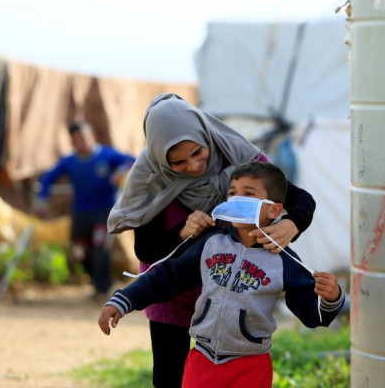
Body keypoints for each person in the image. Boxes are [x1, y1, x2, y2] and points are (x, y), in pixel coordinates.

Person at [107, 93, 316, 388]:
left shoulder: (238, 155)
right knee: (170, 377)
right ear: (159, 157)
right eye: (177, 163)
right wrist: (182, 232)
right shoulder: (150, 179)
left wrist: (291, 225)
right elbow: (146, 249)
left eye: (197, 153)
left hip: (230, 288)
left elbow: (298, 198)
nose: (193, 167)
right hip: (172, 292)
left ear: (205, 135)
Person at [99, 161, 343, 387]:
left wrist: (331, 298)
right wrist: (124, 300)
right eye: (232, 192)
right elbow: (167, 276)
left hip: (250, 366)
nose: (237, 199)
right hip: (201, 359)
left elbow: (312, 314)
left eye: (249, 194)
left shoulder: (283, 260)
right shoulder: (210, 243)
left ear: (274, 210)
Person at [36, 121, 135, 298]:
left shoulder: (107, 155)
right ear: (73, 142)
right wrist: (42, 201)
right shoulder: (69, 162)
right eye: (78, 139)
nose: (83, 142)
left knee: (101, 246)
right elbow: (46, 179)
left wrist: (121, 170)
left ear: (93, 137)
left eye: (85, 137)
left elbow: (132, 160)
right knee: (80, 253)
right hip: (81, 213)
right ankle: (95, 281)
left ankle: (102, 288)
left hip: (105, 211)